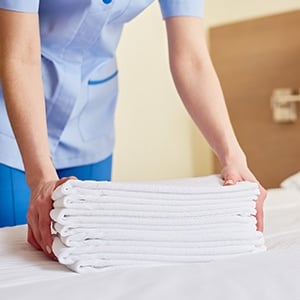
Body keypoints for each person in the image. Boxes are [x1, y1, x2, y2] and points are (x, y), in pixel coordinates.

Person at [0, 0, 266, 259]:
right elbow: (20, 56)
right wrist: (41, 179)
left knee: (88, 249)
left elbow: (192, 59)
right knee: (20, 252)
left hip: (90, 115)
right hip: (12, 110)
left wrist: (233, 157)